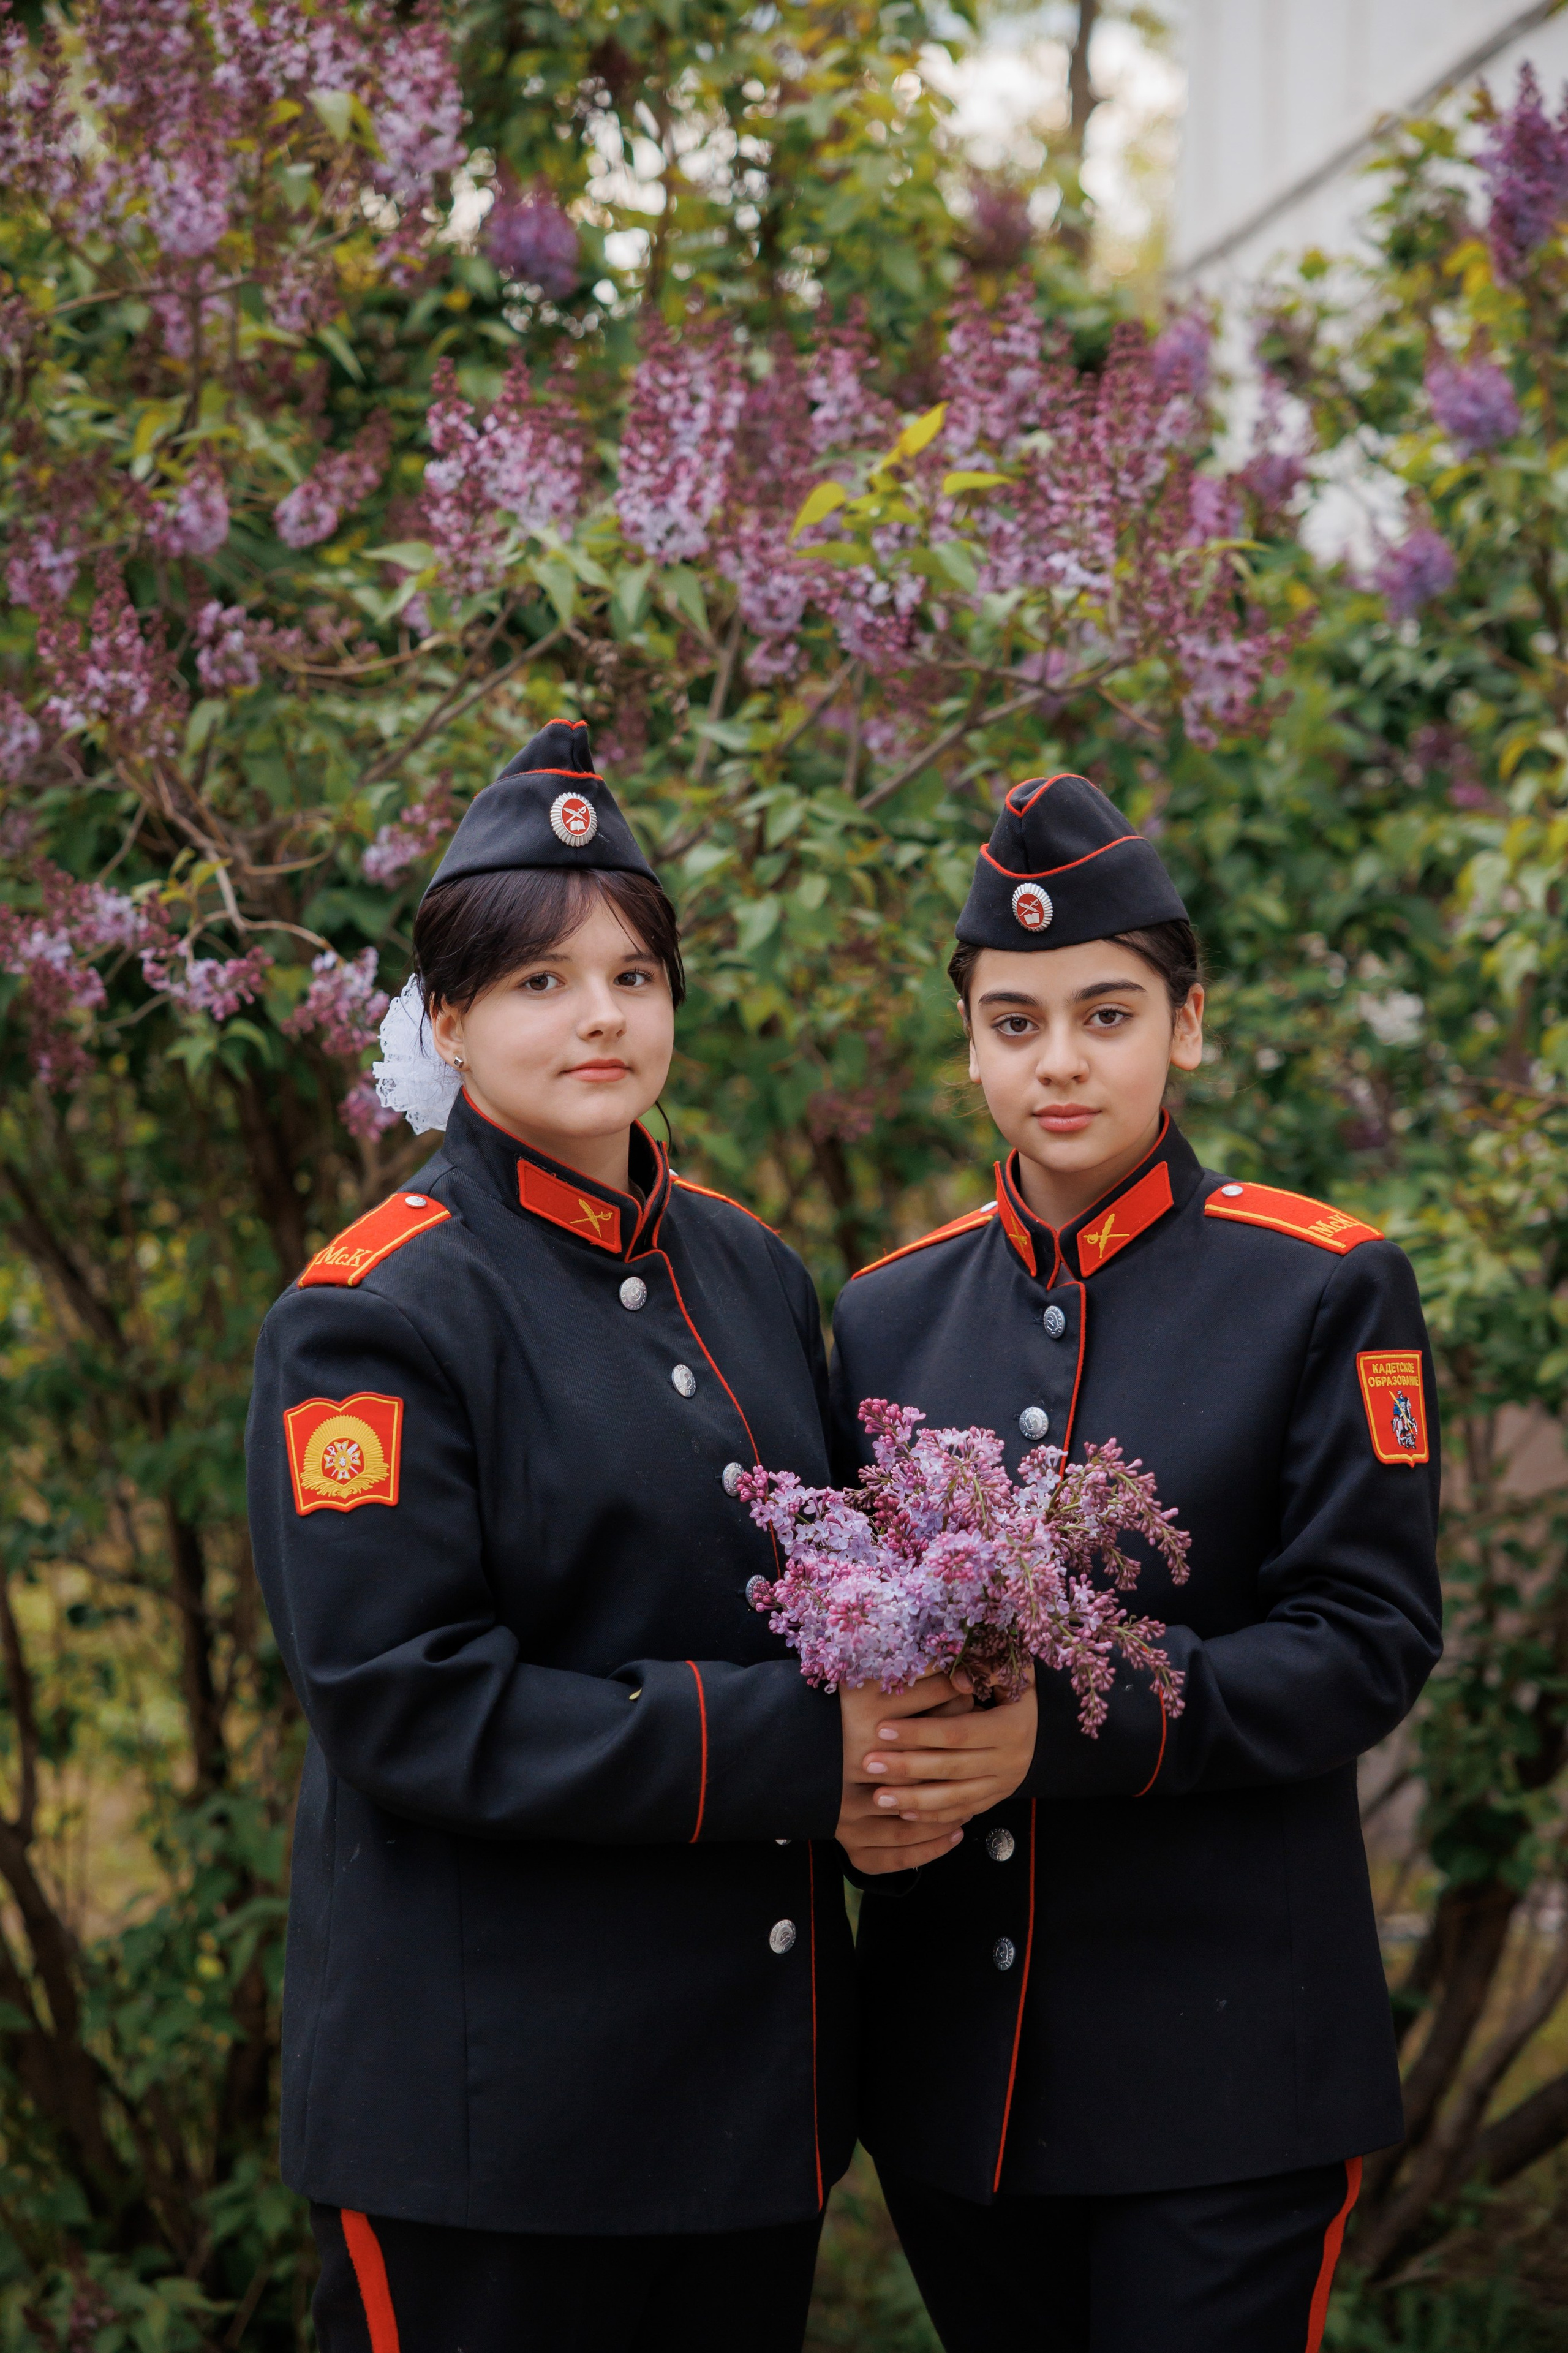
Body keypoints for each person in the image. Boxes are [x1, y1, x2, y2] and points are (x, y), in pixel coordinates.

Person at [246, 720, 1024, 2353]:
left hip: (741, 2115)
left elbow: (833, 1608)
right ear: (445, 1019)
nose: (599, 1015)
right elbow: (410, 1699)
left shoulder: (748, 1273)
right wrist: (810, 1754)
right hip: (494, 2127)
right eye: (538, 983)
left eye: (632, 975)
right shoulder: (376, 1314)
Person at [828, 770, 1443, 2353]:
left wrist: (1075, 1719)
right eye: (1016, 1020)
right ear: (968, 1038)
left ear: (1187, 1023)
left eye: (1105, 1013)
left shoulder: (1319, 1288)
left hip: (1226, 2080)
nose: (1059, 1061)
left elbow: (1365, 1640)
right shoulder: (888, 1316)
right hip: (960, 2076)